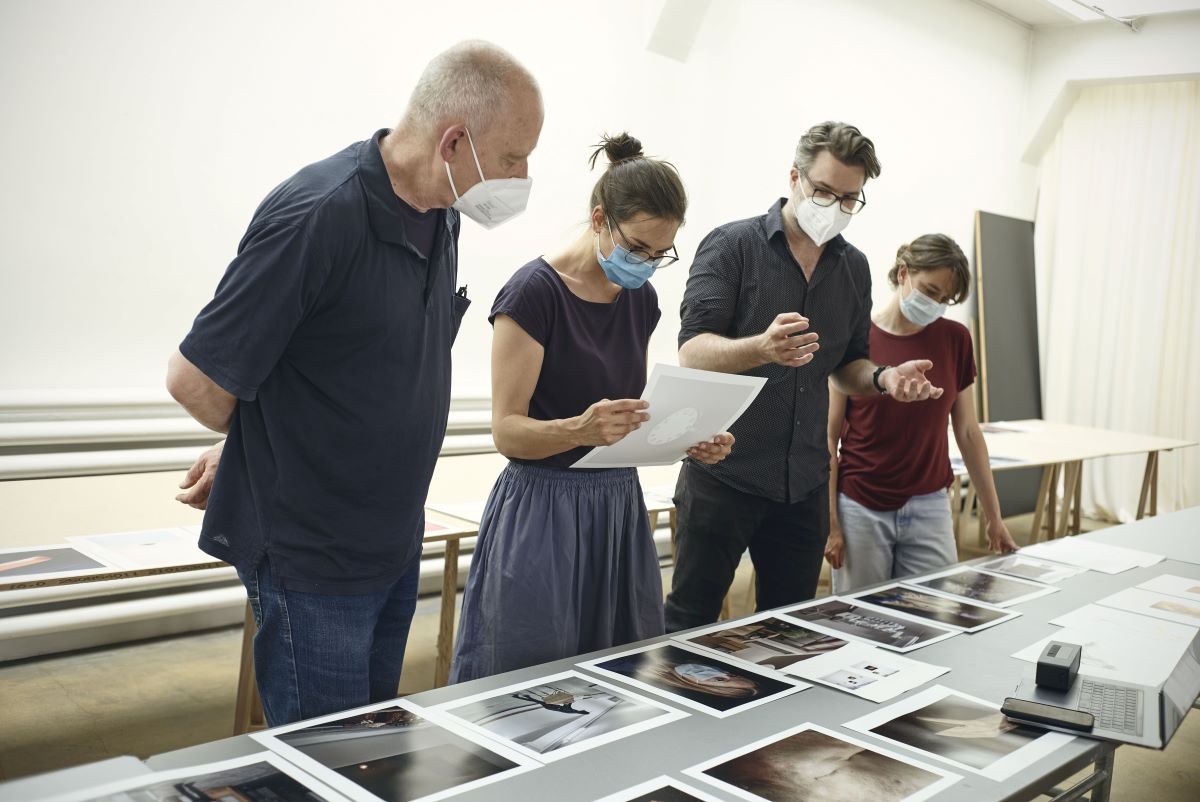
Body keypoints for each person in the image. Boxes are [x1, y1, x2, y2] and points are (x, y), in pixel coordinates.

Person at [165, 41, 543, 726]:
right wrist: (258, 443)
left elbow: (340, 363)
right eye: (515, 157)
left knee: (368, 752)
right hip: (313, 558)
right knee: (323, 760)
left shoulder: (443, 212)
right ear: (455, 140)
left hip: (392, 540)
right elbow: (195, 379)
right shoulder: (319, 215)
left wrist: (262, 432)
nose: (524, 174)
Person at [450, 133, 734, 683]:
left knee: (619, 677)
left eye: (660, 255)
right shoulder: (533, 293)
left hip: (615, 507)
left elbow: (627, 412)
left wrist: (686, 437)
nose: (647, 265)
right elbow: (508, 433)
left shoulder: (640, 298)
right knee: (531, 685)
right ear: (601, 219)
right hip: (543, 512)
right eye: (638, 249)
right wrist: (578, 428)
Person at [663, 121, 943, 633]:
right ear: (794, 178)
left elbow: (848, 367)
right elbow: (692, 352)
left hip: (804, 484)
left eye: (849, 199)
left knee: (788, 630)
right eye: (822, 191)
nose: (834, 207)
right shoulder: (732, 246)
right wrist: (760, 348)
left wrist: (884, 379)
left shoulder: (853, 268)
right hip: (725, 473)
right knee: (690, 622)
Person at [826, 234, 1018, 593]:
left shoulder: (955, 339)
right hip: (861, 505)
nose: (936, 305)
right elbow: (828, 437)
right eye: (930, 291)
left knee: (930, 620)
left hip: (930, 503)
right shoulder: (857, 338)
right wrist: (832, 523)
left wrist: (994, 518)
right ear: (903, 274)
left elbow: (968, 432)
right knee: (859, 620)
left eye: (946, 299)